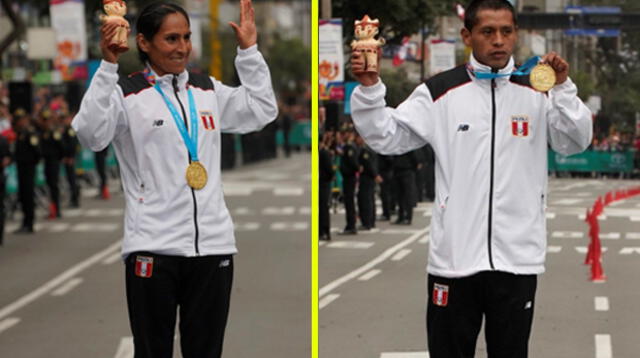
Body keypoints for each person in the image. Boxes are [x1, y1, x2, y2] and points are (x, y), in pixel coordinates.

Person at [350, 0, 593, 357]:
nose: (498, 41)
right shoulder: (440, 91)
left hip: (516, 259)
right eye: (487, 32)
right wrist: (371, 89)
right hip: (454, 260)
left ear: (516, 35)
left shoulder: (538, 91)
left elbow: (575, 140)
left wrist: (564, 88)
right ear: (467, 36)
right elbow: (387, 135)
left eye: (506, 32)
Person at [71, 1, 277, 357]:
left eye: (185, 37)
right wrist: (107, 66)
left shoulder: (206, 89)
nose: (181, 47)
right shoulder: (126, 93)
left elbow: (261, 109)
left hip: (213, 247)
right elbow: (90, 134)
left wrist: (249, 52)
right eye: (170, 38)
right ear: (144, 42)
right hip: (153, 247)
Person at [13, 109, 41, 234]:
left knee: (28, 195)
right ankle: (25, 221)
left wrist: (32, 163)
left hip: (29, 168)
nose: (20, 122)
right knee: (23, 195)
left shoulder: (30, 133)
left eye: (22, 120)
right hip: (21, 168)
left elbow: (37, 151)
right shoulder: (19, 133)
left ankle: (29, 223)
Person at [338, 127, 359, 235]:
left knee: (349, 202)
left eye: (344, 133)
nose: (342, 135)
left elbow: (353, 163)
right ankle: (350, 224)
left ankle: (351, 225)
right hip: (348, 177)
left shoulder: (349, 147)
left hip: (349, 178)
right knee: (348, 202)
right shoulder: (347, 146)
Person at [319, 131, 335, 241]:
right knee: (322, 207)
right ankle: (322, 230)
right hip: (323, 182)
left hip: (324, 183)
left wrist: (329, 178)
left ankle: (325, 231)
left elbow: (330, 169)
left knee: (324, 207)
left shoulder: (324, 153)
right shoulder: (323, 152)